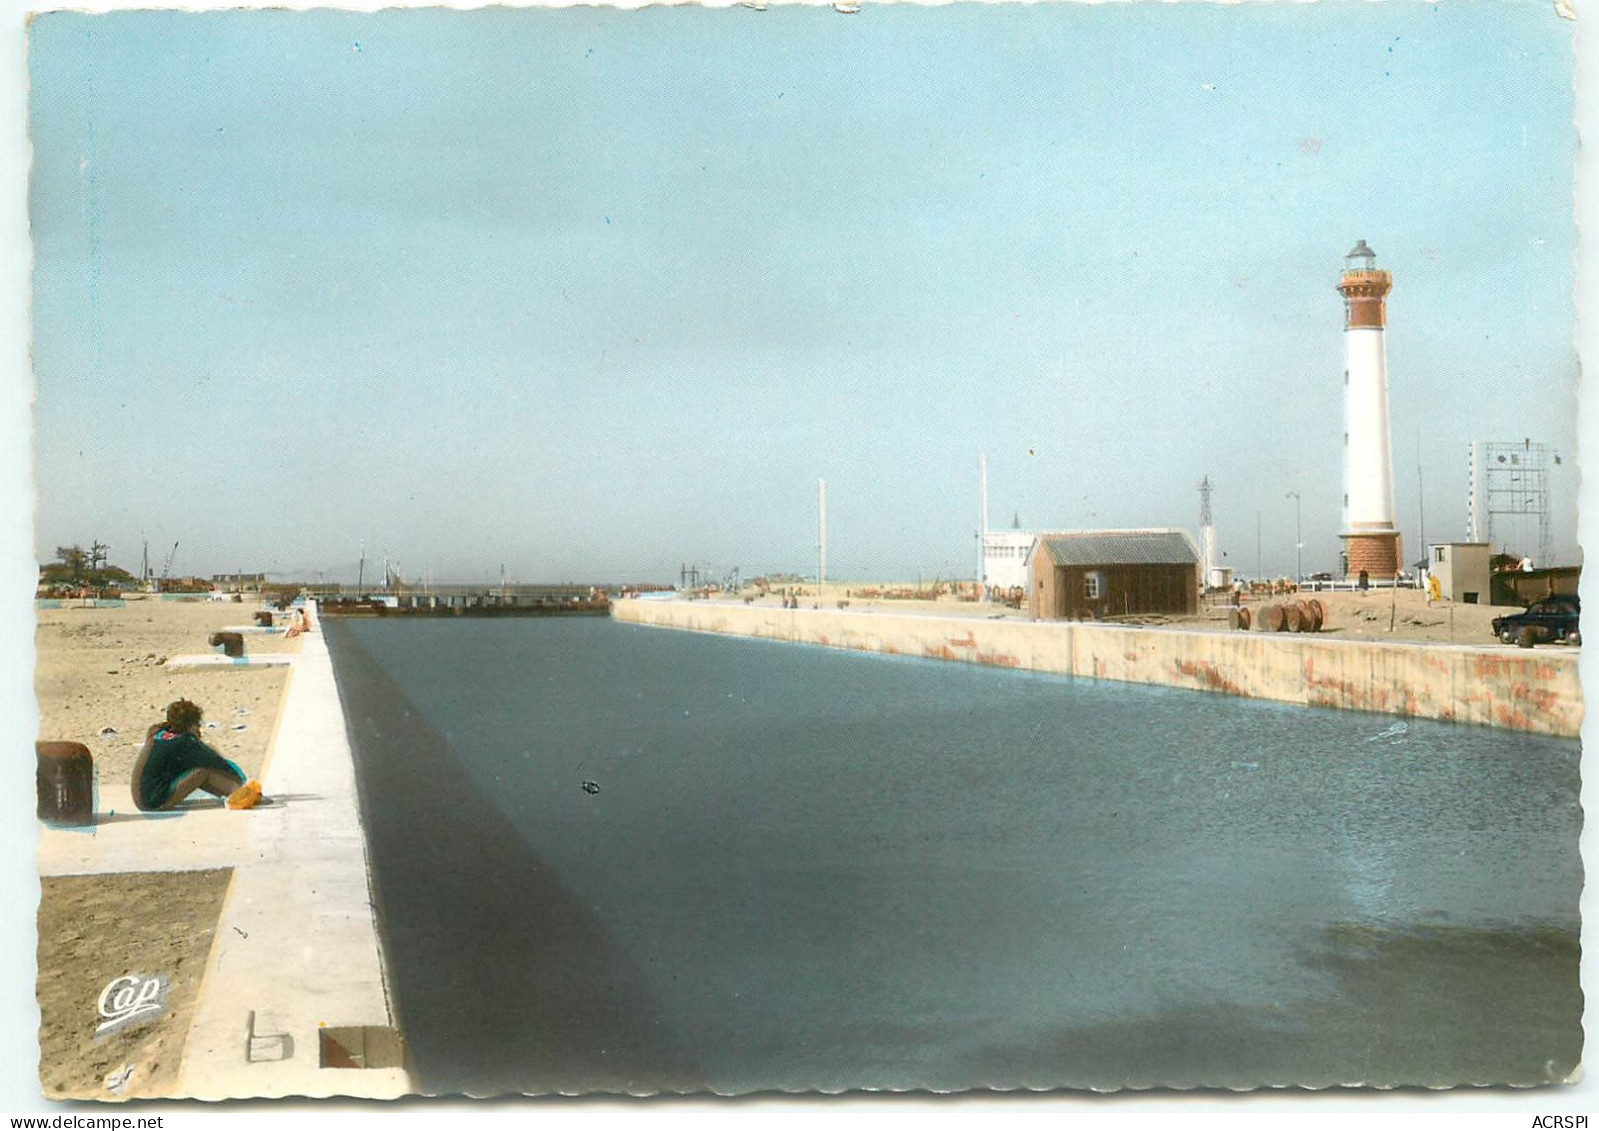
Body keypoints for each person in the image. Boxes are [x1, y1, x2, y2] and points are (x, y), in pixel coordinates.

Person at [131, 698, 263, 811]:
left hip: (142, 796)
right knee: (203, 772)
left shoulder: (157, 732)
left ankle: (232, 791)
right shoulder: (185, 742)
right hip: (152, 801)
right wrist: (239, 779)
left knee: (194, 770)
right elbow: (216, 762)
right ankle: (240, 792)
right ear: (192, 725)